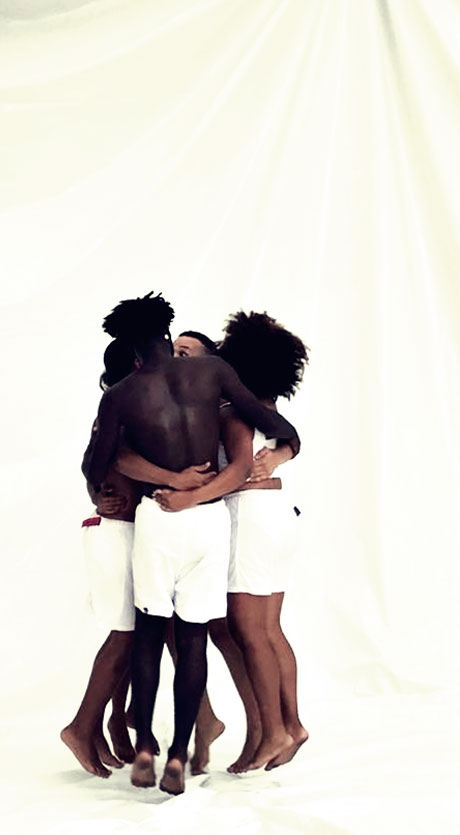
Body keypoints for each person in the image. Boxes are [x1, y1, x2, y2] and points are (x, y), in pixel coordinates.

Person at [83, 292, 299, 795]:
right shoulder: (214, 374)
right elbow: (280, 429)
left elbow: (97, 464)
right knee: (195, 636)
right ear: (165, 332)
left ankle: (145, 747)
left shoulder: (120, 395)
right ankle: (180, 753)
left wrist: (110, 493)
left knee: (149, 633)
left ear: (129, 346)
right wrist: (278, 457)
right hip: (209, 521)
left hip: (158, 517)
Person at [154, 311, 309, 772]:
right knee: (269, 629)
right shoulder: (264, 406)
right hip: (277, 513)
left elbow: (239, 470)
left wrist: (190, 495)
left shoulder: (232, 410)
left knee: (250, 631)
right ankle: (289, 726)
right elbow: (288, 441)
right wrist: (281, 455)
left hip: (250, 515)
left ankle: (275, 731)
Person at [61, 339, 216, 778]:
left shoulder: (142, 404)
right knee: (127, 635)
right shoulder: (124, 407)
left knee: (144, 631)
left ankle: (114, 722)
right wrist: (99, 496)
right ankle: (83, 726)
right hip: (118, 530)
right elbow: (97, 462)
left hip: (139, 529)